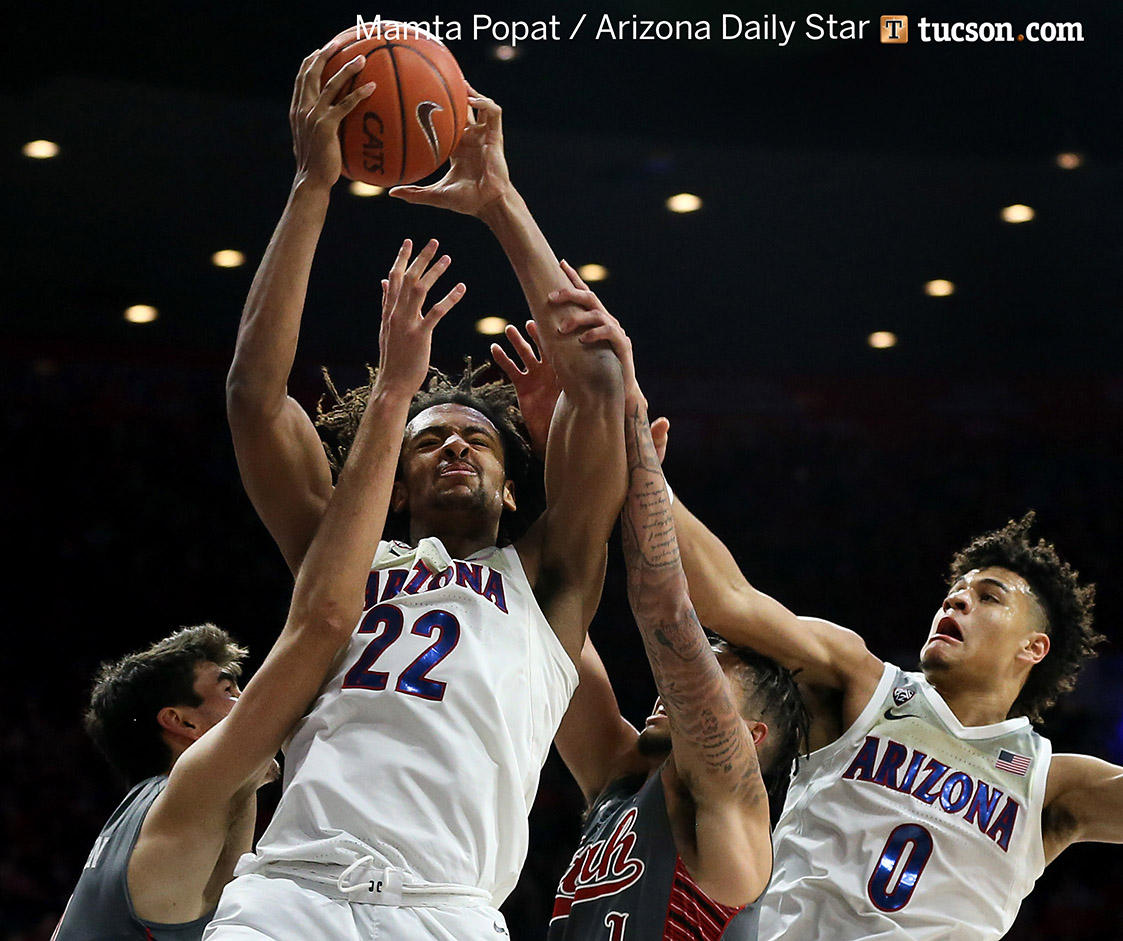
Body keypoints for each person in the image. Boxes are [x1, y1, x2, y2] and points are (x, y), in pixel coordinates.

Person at [211, 41, 625, 941]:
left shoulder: (547, 584)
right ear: (393, 486)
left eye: (477, 438)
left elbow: (598, 385)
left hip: (445, 909)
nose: (455, 447)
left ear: (513, 489)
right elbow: (253, 398)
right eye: (428, 441)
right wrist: (310, 187)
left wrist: (500, 200)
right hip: (291, 890)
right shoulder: (340, 554)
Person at [52, 46, 430, 935]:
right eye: (226, 684)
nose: (253, 685)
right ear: (181, 723)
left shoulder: (178, 824)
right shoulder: (187, 798)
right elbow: (254, 401)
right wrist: (312, 184)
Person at [664, 450, 1120, 936]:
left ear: (1033, 647)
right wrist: (652, 479)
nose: (956, 599)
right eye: (955, 593)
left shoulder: (1050, 783)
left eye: (988, 596)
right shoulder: (861, 684)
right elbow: (729, 599)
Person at [491, 296, 808, 940]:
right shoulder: (620, 779)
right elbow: (546, 626)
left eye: (713, 675)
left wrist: (626, 415)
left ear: (749, 737)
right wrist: (567, 463)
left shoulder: (734, 810)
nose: (676, 682)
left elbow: (667, 605)